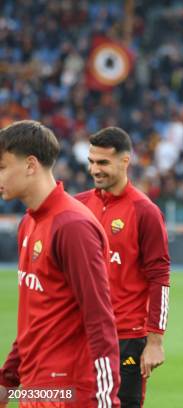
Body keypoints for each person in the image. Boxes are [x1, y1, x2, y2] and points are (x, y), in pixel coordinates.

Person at [0, 120, 120, 407]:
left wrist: (107, 401)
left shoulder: (72, 226)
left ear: (30, 165)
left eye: (2, 166)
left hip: (72, 392)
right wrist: (7, 380)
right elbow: (35, 318)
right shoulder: (29, 223)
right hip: (36, 389)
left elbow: (99, 319)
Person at [75, 127, 171, 407]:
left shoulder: (146, 211)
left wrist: (155, 341)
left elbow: (160, 278)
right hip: (81, 334)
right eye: (92, 162)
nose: (95, 169)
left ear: (125, 161)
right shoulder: (78, 206)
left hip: (126, 338)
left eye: (103, 162)